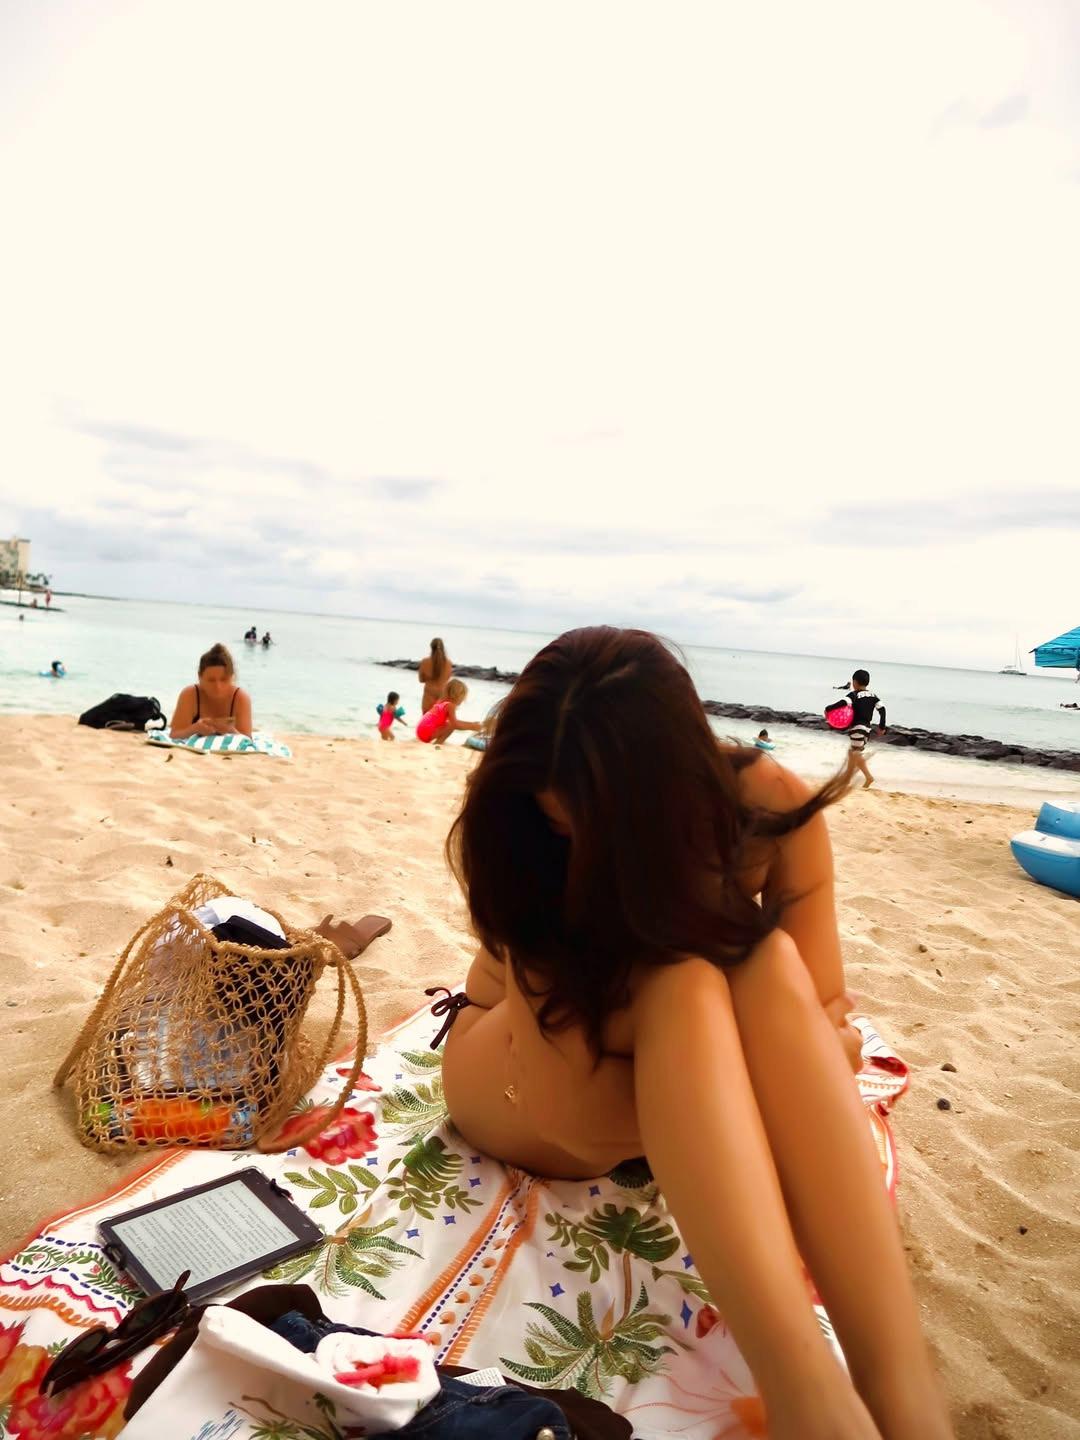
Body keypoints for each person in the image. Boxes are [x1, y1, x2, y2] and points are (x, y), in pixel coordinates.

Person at [438, 628, 951, 1440]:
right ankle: (810, 1400)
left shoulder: (762, 807)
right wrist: (739, 1069)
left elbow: (815, 1008)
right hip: (519, 1068)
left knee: (762, 960)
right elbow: (577, 1122)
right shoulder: (523, 833)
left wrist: (767, 1054)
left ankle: (903, 1399)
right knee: (685, 978)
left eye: (597, 815)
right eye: (556, 808)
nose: (571, 827)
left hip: (666, 1043)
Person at [169, 642, 253, 739]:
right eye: (211, 680)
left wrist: (229, 730)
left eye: (224, 679)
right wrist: (195, 729)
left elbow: (247, 739)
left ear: (232, 677)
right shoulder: (190, 694)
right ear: (200, 677)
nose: (218, 686)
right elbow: (174, 734)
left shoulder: (240, 697)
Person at [826, 669, 887, 789]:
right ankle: (847, 779)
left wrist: (829, 708)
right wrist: (882, 726)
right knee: (852, 753)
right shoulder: (873, 696)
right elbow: (882, 709)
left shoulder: (853, 695)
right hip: (867, 729)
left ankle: (868, 777)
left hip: (857, 727)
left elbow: (844, 702)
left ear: (854, 682)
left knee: (855, 753)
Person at [416, 679, 482, 744]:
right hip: (425, 734)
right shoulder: (450, 706)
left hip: (420, 731)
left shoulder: (441, 702)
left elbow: (455, 721)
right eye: (463, 698)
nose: (462, 700)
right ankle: (438, 744)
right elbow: (455, 724)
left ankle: (437, 744)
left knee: (449, 724)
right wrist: (472, 726)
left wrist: (472, 724)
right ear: (458, 696)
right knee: (451, 725)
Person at [418, 637, 452, 714]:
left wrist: (429, 678)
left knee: (426, 720)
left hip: (429, 693)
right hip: (443, 694)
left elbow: (421, 680)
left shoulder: (425, 661)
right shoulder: (449, 663)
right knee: (439, 722)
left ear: (431, 647)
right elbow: (447, 679)